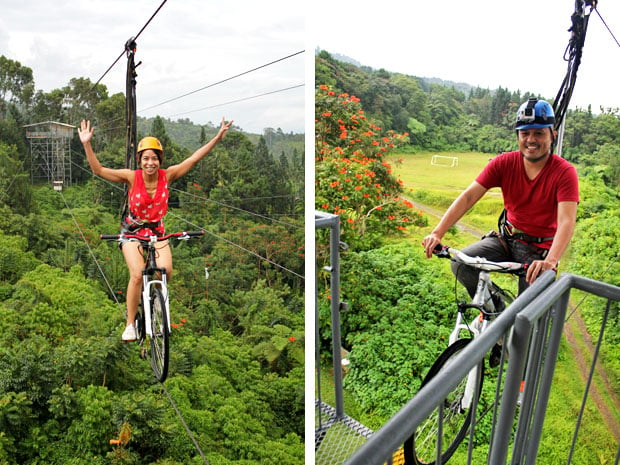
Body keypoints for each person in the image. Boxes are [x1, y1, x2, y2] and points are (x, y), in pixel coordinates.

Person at [78, 117, 233, 341]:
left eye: (154, 159)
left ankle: (157, 305)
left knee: (165, 271)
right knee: (137, 274)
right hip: (132, 230)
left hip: (157, 231)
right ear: (140, 160)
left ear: (159, 160)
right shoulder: (132, 177)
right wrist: (87, 144)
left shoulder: (167, 176)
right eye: (146, 158)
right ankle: (130, 323)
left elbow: (194, 158)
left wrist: (217, 137)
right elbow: (99, 170)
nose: (150, 163)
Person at [422, 98, 579, 301]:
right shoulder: (503, 164)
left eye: (539, 133)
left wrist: (551, 261)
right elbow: (469, 196)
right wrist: (437, 232)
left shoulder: (564, 173)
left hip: (540, 251)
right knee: (461, 265)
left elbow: (567, 220)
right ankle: (494, 309)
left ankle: (520, 325)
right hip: (508, 239)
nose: (531, 139)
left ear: (553, 135)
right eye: (525, 133)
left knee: (526, 315)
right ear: (518, 136)